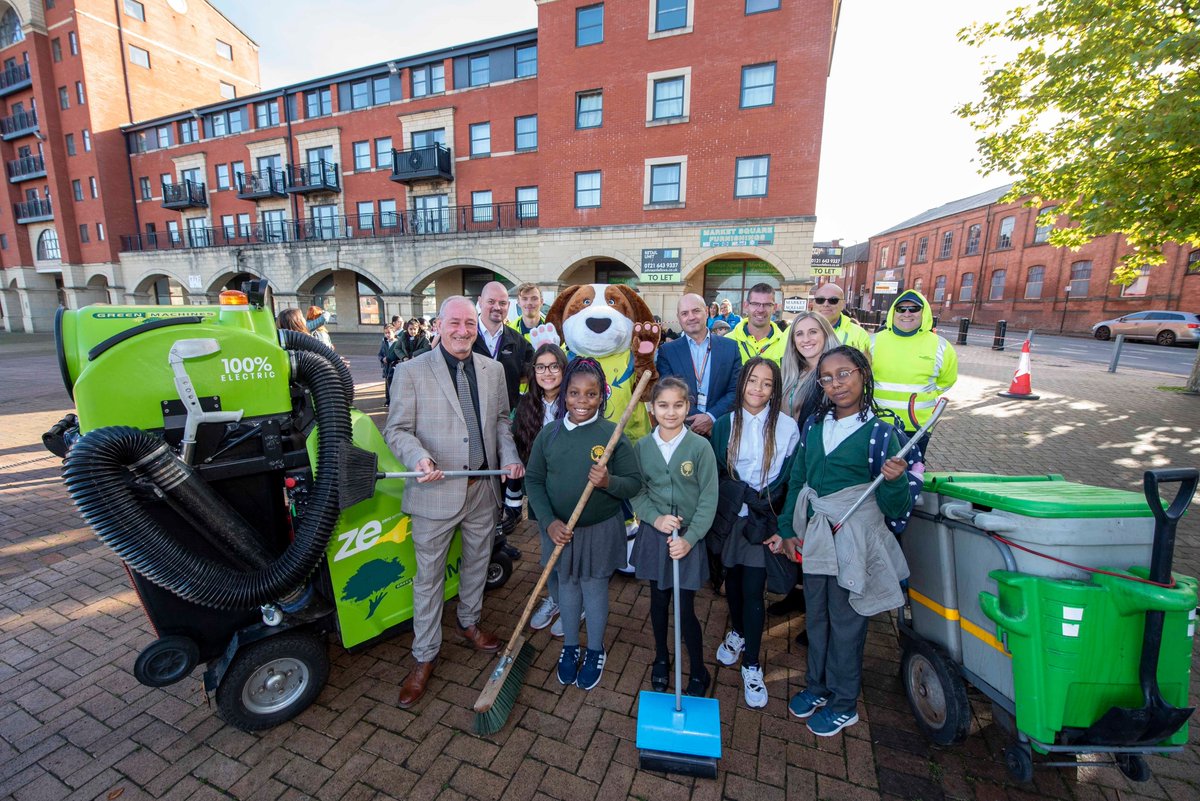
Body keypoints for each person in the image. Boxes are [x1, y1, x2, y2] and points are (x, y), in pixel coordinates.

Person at [383, 296, 525, 709]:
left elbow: (501, 422)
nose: (463, 331)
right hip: (435, 491)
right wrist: (418, 458)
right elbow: (397, 430)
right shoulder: (410, 371)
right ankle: (424, 655)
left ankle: (468, 622)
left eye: (469, 324)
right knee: (428, 579)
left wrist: (509, 457)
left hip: (482, 488)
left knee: (478, 562)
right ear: (439, 325)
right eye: (454, 323)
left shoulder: (493, 370)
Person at [778, 346, 915, 737]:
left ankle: (843, 703)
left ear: (863, 374)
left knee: (847, 620)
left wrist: (895, 480)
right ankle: (818, 686)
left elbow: (896, 507)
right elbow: (799, 480)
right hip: (818, 538)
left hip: (853, 540)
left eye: (844, 374)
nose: (836, 384)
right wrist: (788, 528)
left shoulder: (879, 434)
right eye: (827, 378)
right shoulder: (815, 426)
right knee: (817, 616)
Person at [525, 358, 641, 691]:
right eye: (574, 393)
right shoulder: (549, 434)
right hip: (560, 530)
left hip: (600, 528)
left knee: (593, 587)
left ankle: (595, 650)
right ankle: (571, 645)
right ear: (564, 394)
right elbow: (534, 480)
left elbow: (633, 483)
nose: (582, 401)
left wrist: (608, 482)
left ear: (602, 396)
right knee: (567, 585)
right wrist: (548, 522)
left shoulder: (611, 434)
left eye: (591, 394)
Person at [709, 357, 800, 709]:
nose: (758, 389)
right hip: (734, 516)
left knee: (753, 589)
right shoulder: (725, 424)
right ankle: (737, 632)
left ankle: (752, 664)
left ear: (775, 390)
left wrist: (769, 508)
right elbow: (719, 470)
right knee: (731, 581)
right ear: (741, 383)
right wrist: (740, 496)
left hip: (763, 518)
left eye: (767, 383)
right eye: (752, 380)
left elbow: (789, 476)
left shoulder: (787, 428)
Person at [630, 377, 718, 697]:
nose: (671, 412)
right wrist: (655, 518)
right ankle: (661, 657)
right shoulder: (642, 447)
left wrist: (689, 539)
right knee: (658, 600)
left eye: (678, 405)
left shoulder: (700, 447)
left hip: (687, 540)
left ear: (688, 406)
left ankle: (698, 667)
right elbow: (637, 491)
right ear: (652, 408)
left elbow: (709, 498)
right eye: (663, 405)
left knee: (685, 607)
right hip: (656, 536)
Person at [770, 310, 841, 620]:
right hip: (792, 462)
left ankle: (817, 612)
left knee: (815, 532)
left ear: (825, 334)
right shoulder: (792, 372)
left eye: (813, 332)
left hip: (819, 464)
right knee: (796, 526)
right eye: (799, 333)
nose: (806, 339)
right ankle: (797, 593)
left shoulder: (833, 375)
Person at [474, 281, 534, 557]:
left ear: (508, 307)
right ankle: (479, 545)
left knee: (499, 483)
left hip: (502, 425)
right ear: (480, 302)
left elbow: (535, 370)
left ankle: (497, 542)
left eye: (502, 303)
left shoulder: (517, 341)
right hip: (469, 425)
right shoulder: (465, 335)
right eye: (491, 302)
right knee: (478, 487)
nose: (496, 307)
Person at [515, 344, 569, 633]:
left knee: (571, 550)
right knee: (549, 551)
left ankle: (575, 603)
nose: (547, 373)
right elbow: (519, 445)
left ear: (563, 368)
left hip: (570, 489)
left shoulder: (575, 400)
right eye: (540, 367)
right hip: (541, 490)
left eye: (553, 366)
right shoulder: (527, 405)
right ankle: (556, 598)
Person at [869, 290, 957, 455]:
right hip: (876, 421)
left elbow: (947, 380)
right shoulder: (872, 342)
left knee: (912, 468)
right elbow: (861, 378)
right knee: (875, 467)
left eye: (914, 309)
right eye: (901, 309)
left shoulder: (941, 346)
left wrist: (926, 394)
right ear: (893, 312)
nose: (907, 313)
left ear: (924, 313)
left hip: (918, 425)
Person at [656, 293, 742, 438]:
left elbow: (735, 390)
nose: (691, 317)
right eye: (684, 313)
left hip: (720, 431)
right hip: (682, 431)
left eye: (696, 311)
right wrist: (696, 420)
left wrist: (711, 417)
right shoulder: (667, 351)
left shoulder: (730, 347)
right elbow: (669, 392)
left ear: (706, 312)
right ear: (678, 317)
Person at [728, 284, 787, 364]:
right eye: (755, 304)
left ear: (775, 308)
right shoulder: (727, 340)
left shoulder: (786, 344)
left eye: (767, 305)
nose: (760, 310)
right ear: (746, 305)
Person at [811, 284, 870, 353]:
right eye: (820, 300)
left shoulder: (858, 334)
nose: (825, 304)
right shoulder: (800, 328)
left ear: (843, 304)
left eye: (833, 300)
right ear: (813, 303)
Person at [379, 324, 397, 406]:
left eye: (389, 333)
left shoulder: (397, 342)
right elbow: (380, 354)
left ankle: (393, 401)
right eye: (385, 333)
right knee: (387, 384)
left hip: (394, 367)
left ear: (394, 332)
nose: (387, 335)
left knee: (393, 384)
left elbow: (398, 354)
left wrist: (389, 359)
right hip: (386, 367)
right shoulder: (384, 343)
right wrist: (382, 359)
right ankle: (388, 400)